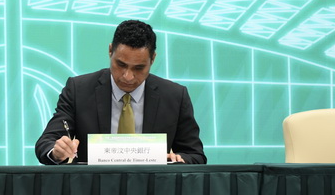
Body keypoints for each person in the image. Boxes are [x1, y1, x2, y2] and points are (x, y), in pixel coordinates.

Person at [35, 20, 206, 164]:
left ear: (153, 59)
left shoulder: (175, 96)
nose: (128, 77)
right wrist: (57, 152)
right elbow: (46, 143)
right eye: (121, 65)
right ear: (110, 51)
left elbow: (195, 155)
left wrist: (180, 160)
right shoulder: (78, 90)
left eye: (139, 68)